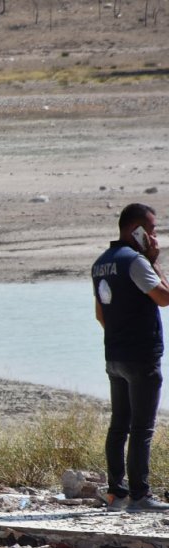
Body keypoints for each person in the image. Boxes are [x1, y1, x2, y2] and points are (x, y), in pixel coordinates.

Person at [92, 203, 169, 513]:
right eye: (150, 231)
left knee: (119, 425)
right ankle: (140, 495)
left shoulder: (101, 263)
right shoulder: (136, 261)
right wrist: (155, 262)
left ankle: (116, 492)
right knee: (142, 428)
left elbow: (100, 313)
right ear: (134, 230)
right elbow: (165, 298)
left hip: (115, 354)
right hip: (141, 356)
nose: (153, 237)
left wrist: (120, 332)